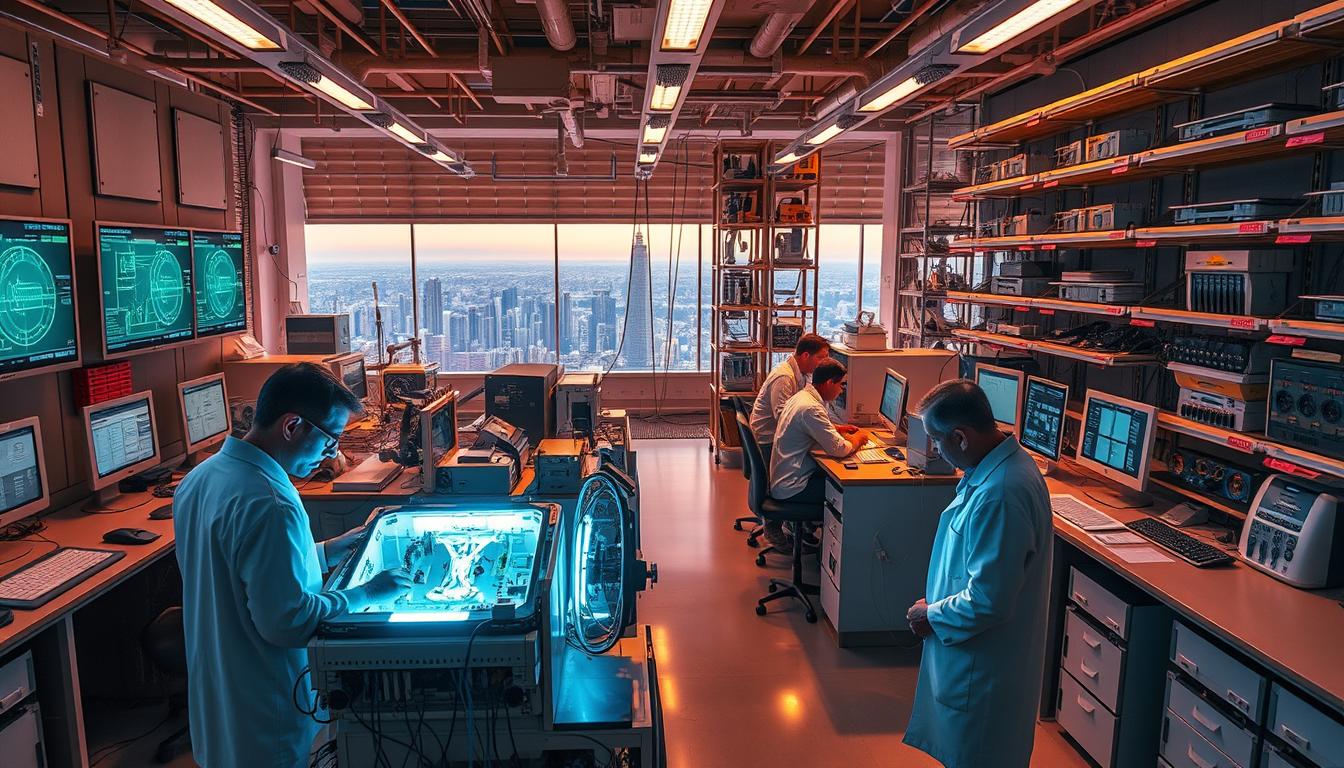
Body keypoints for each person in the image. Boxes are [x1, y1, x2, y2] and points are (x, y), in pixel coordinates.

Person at [174, 363, 413, 768]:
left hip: (218, 697)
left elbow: (242, 570)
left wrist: (325, 551)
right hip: (267, 710)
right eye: (330, 440)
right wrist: (367, 594)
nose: (331, 454)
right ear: (292, 426)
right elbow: (287, 622)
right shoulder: (271, 502)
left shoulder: (202, 477)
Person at [902, 380, 1053, 768]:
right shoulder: (996, 469)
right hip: (977, 659)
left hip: (984, 672)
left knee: (980, 755)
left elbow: (988, 600)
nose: (935, 449)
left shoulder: (1000, 493)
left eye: (938, 440)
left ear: (961, 437)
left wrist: (930, 615)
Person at [749, 333, 832, 547]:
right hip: (767, 438)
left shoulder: (802, 375)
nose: (824, 362)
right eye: (821, 358)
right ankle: (774, 526)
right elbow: (783, 417)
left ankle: (801, 524)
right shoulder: (784, 377)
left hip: (775, 434)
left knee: (813, 463)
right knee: (811, 465)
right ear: (805, 355)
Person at [768, 358, 868, 506]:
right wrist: (860, 438)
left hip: (784, 479)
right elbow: (839, 449)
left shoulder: (802, 397)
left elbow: (808, 427)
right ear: (829, 383)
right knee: (853, 495)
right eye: (840, 385)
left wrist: (836, 428)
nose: (841, 391)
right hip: (793, 487)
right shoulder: (811, 408)